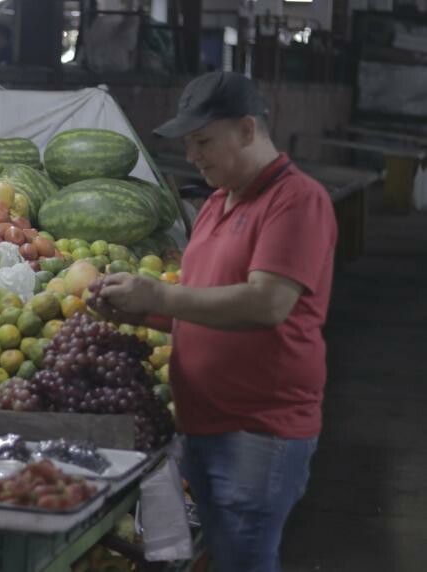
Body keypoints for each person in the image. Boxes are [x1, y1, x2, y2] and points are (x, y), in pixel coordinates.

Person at [90, 71, 337, 572]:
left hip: (258, 434)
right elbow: (200, 306)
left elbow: (267, 304)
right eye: (189, 144)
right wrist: (143, 311)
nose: (193, 155)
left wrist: (159, 291)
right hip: (203, 427)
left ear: (248, 130)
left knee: (243, 561)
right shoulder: (218, 203)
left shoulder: (296, 200)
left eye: (204, 140)